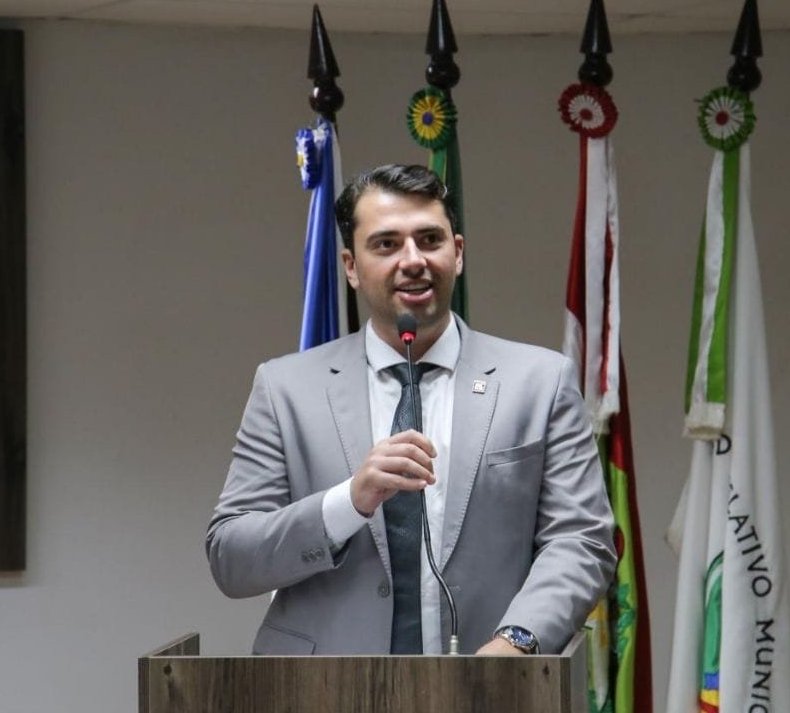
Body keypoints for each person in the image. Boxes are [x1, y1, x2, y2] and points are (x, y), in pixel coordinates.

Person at [207, 163, 615, 655]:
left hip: (492, 688)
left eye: (429, 239)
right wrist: (349, 501)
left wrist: (518, 641)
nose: (413, 260)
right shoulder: (284, 388)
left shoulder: (540, 382)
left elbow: (582, 540)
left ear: (457, 253)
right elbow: (232, 557)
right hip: (320, 690)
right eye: (386, 244)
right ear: (351, 266)